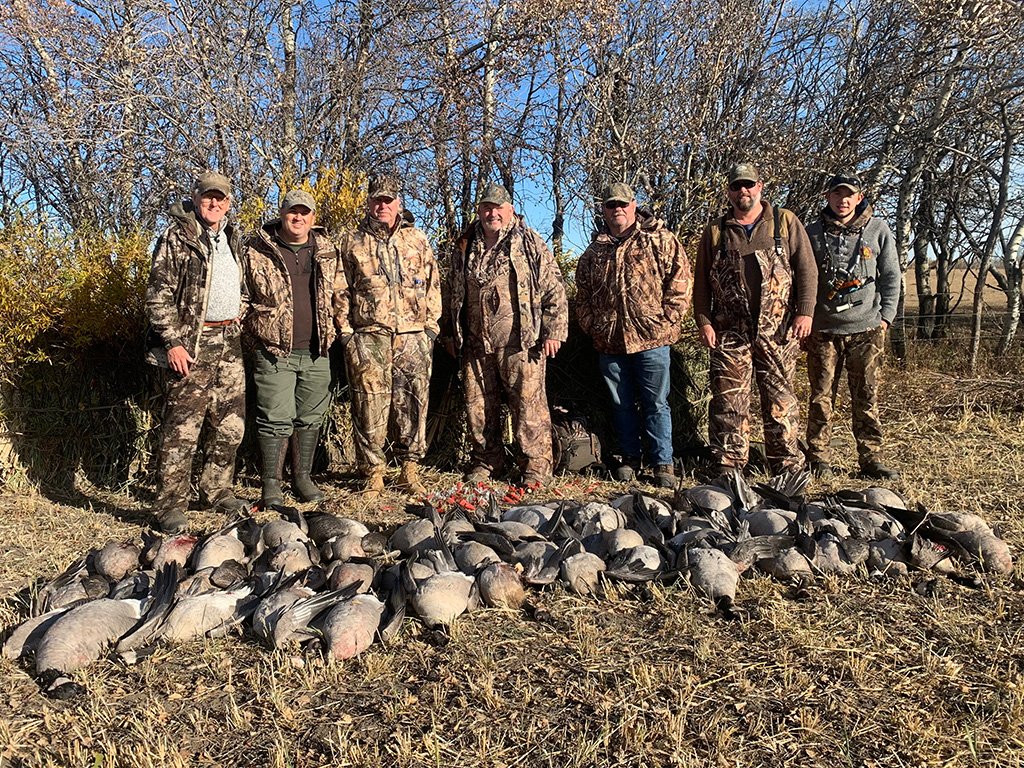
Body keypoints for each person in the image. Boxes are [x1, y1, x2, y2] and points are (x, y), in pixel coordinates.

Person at [693, 163, 818, 476]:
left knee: (780, 401)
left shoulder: (784, 222)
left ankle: (786, 466)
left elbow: (806, 269)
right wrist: (704, 320)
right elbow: (701, 284)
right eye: (736, 186)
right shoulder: (716, 231)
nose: (742, 191)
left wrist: (805, 311)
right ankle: (728, 466)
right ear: (729, 191)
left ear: (760, 186)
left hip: (777, 331)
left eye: (748, 185)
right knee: (728, 402)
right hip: (730, 331)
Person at [442, 183, 568, 486]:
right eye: (486, 207)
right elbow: (451, 292)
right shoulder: (465, 244)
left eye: (498, 207)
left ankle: (535, 467)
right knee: (478, 408)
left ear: (510, 209)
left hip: (520, 342)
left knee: (528, 408)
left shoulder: (528, 242)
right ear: (479, 211)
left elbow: (554, 288)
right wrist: (449, 332)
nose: (492, 213)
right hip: (475, 341)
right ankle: (487, 463)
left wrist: (554, 330)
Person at [144, 170, 248, 532]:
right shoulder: (177, 238)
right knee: (183, 427)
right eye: (208, 197)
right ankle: (169, 505)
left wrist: (240, 311)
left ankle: (217, 490)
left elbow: (243, 287)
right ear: (197, 197)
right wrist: (172, 341)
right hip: (192, 341)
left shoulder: (233, 238)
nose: (214, 203)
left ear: (229, 203)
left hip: (229, 341)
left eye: (221, 198)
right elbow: (157, 295)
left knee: (230, 425)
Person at [575, 183, 693, 488]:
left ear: (634, 205)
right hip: (610, 342)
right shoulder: (593, 252)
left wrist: (667, 320)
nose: (617, 210)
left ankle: (662, 463)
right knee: (620, 404)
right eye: (610, 205)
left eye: (622, 204)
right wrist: (593, 325)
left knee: (656, 403)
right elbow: (583, 295)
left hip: (652, 339)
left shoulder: (659, 239)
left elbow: (680, 281)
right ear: (603, 209)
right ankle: (629, 459)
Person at [336, 175, 441, 499]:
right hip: (369, 337)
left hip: (412, 335)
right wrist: (347, 334)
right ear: (368, 203)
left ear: (399, 203)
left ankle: (410, 469)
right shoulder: (352, 241)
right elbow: (340, 290)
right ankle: (374, 473)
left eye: (388, 200)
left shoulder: (417, 240)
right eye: (377, 200)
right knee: (369, 405)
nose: (382, 205)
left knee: (413, 402)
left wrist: (431, 329)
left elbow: (434, 284)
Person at [243, 189, 344, 506]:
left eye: (304, 212)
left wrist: (339, 331)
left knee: (310, 417)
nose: (297, 217)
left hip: (317, 351)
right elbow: (242, 299)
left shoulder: (327, 249)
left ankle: (302, 477)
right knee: (274, 417)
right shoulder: (256, 248)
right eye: (292, 211)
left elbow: (341, 294)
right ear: (282, 213)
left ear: (313, 217)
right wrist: (257, 338)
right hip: (275, 351)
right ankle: (271, 483)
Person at [804, 172, 901, 480]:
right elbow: (802, 279)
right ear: (827, 197)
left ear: (860, 198)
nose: (842, 200)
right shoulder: (812, 233)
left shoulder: (878, 230)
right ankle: (819, 457)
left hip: (867, 328)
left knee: (867, 396)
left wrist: (886, 317)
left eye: (849, 195)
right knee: (821, 397)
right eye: (836, 194)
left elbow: (891, 276)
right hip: (823, 330)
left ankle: (871, 458)